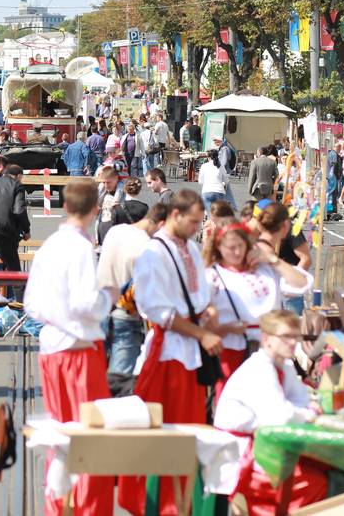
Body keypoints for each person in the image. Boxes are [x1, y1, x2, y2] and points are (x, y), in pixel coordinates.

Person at [121, 189, 219, 516]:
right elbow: (157, 310)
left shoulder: (190, 246)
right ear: (175, 215)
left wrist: (206, 315)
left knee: (187, 432)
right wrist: (201, 333)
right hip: (168, 353)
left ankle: (180, 501)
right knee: (164, 433)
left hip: (189, 352)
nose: (197, 228)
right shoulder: (154, 253)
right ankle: (156, 504)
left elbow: (198, 296)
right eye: (193, 221)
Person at [24, 179, 116, 516]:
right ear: (95, 209)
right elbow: (85, 303)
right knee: (87, 434)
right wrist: (109, 296)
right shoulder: (80, 248)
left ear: (64, 206)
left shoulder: (50, 245)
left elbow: (31, 302)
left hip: (52, 346)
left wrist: (57, 318)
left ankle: (58, 505)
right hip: (79, 348)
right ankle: (87, 507)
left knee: (60, 432)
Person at [213, 310, 327, 516]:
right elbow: (280, 417)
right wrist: (309, 414)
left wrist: (306, 410)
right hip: (240, 456)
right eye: (286, 337)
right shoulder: (260, 369)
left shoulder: (285, 366)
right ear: (267, 339)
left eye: (295, 336)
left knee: (322, 468)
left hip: (265, 445)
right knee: (314, 483)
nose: (292, 343)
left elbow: (301, 399)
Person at [204, 221, 312, 398]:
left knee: (272, 398)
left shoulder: (264, 270)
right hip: (233, 349)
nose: (237, 252)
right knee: (236, 399)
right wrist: (228, 328)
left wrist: (273, 260)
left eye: (241, 246)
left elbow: (302, 283)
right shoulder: (212, 276)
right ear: (218, 247)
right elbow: (202, 323)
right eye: (231, 247)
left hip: (271, 348)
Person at [98, 202, 167, 381]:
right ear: (160, 225)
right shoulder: (147, 246)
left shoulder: (115, 231)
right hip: (125, 314)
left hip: (100, 307)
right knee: (121, 378)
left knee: (98, 372)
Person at [199, 148, 229, 213]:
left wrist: (204, 187)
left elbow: (200, 181)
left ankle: (206, 220)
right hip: (219, 191)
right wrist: (223, 184)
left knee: (207, 213)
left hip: (207, 191)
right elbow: (226, 180)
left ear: (208, 157)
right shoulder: (221, 166)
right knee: (219, 213)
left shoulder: (204, 166)